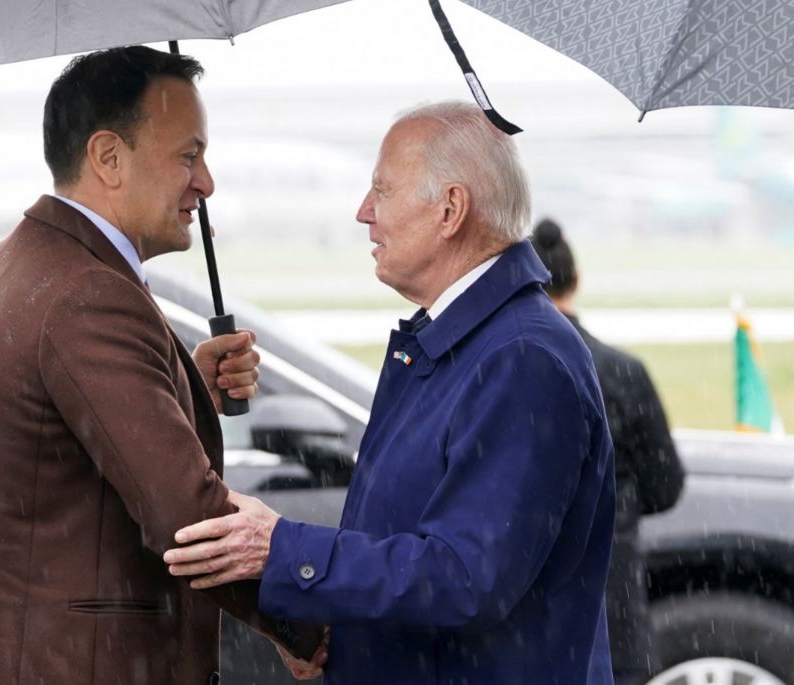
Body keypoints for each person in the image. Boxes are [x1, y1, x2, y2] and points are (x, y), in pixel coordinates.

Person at [164, 101, 617, 684]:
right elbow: (406, 556)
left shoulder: (520, 358)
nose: (363, 213)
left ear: (451, 209)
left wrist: (284, 550)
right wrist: (327, 623)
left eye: (382, 189)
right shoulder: (456, 344)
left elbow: (466, 578)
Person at [0, 46, 319, 685]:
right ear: (107, 157)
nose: (205, 183)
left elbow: (57, 450)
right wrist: (309, 623)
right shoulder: (88, 296)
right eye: (189, 156)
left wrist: (187, 390)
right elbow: (188, 520)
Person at [530, 219, 685, 685]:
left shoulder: (505, 364)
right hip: (611, 605)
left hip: (524, 613)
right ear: (575, 280)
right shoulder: (623, 371)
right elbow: (665, 485)